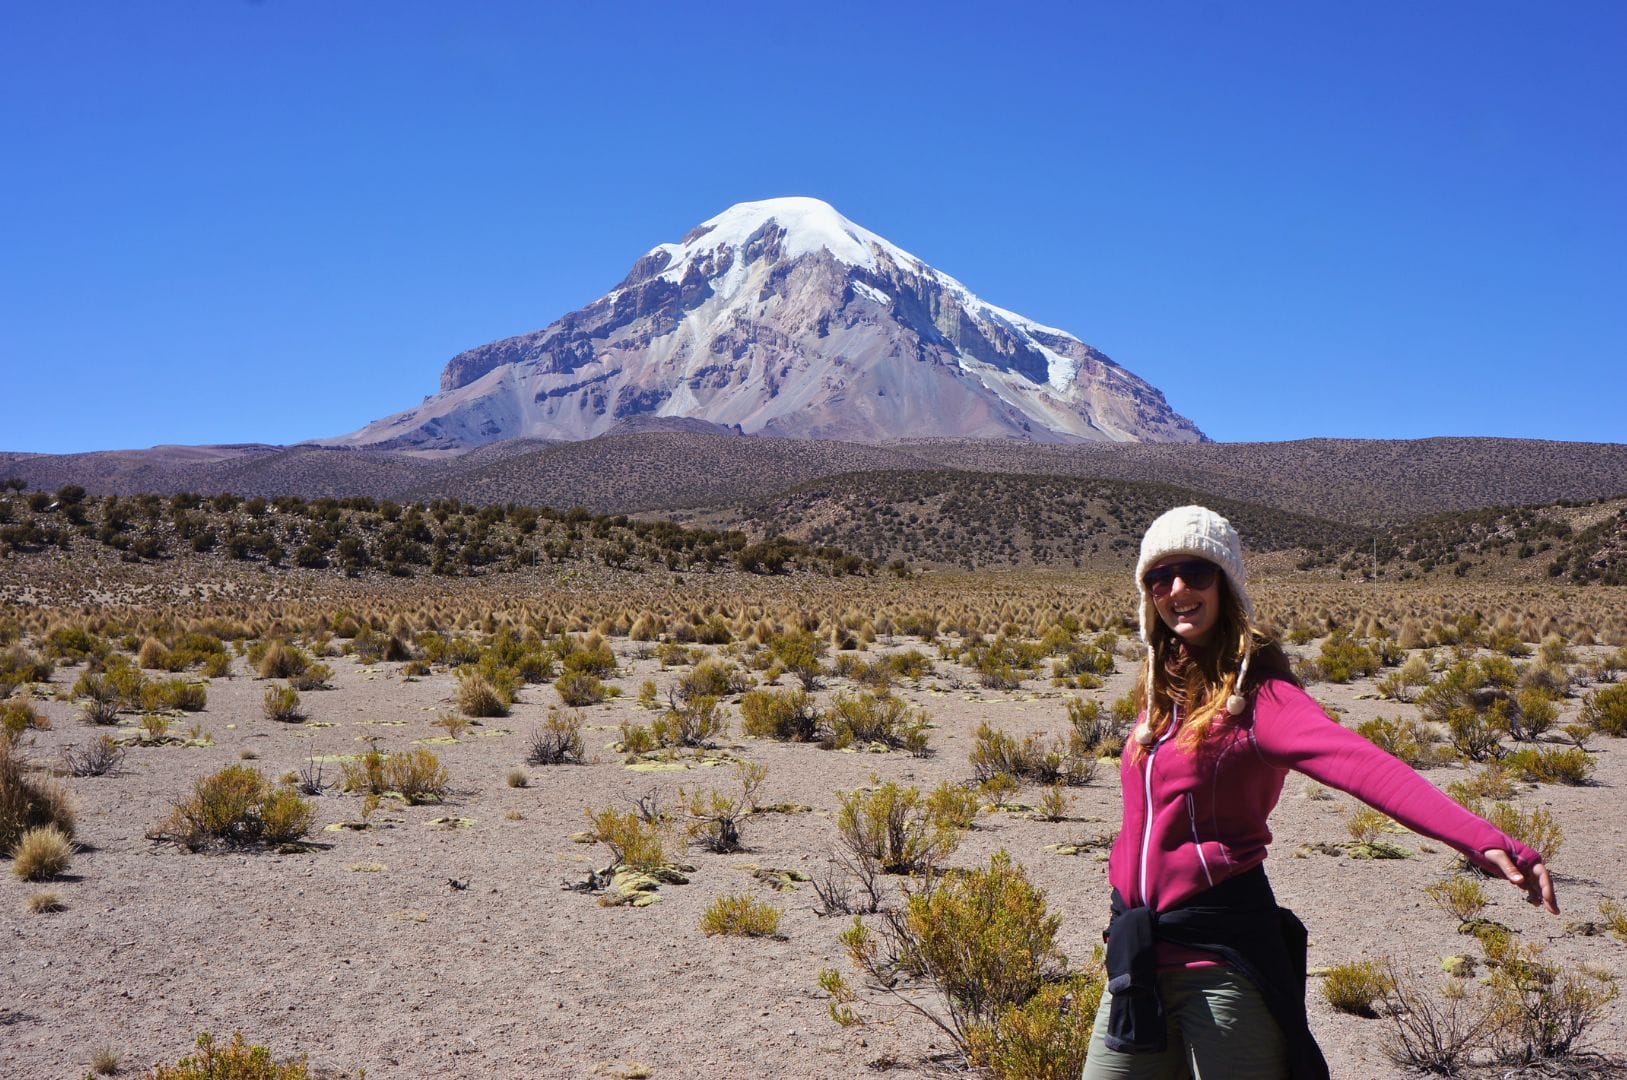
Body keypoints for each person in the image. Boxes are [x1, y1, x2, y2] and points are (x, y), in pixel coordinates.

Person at [1080, 505, 1558, 1080]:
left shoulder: (1261, 697)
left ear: (1225, 584)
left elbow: (1365, 767)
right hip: (1136, 958)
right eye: (1161, 577)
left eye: (1194, 572)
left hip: (1220, 965)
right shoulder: (1162, 690)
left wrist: (1481, 839)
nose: (1177, 589)